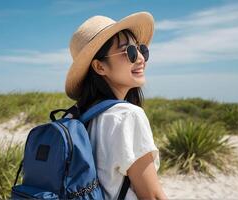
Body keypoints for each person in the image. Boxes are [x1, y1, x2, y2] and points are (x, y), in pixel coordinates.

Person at [65, 12, 168, 200]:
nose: (140, 58)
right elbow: (152, 196)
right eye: (128, 51)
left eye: (140, 49)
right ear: (99, 67)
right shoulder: (127, 116)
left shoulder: (74, 117)